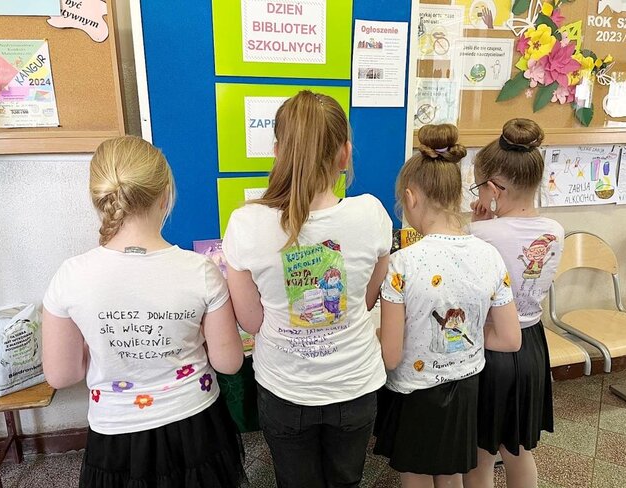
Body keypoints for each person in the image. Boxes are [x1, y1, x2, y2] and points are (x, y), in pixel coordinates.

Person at [42, 136, 247, 488]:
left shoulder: (70, 276)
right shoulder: (200, 270)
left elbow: (61, 375)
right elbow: (229, 363)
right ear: (165, 196)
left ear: (99, 198)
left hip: (114, 434)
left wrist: (99, 343)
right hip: (196, 425)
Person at [222, 90, 392, 488]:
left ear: (278, 152)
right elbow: (368, 299)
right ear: (344, 154)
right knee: (346, 480)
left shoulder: (246, 223)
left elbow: (251, 321)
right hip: (355, 385)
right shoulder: (371, 213)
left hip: (284, 390)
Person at [374, 124, 521, 488]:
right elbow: (510, 339)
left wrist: (374, 333)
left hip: (415, 393)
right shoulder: (490, 256)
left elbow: (390, 356)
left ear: (410, 198)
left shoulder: (402, 264)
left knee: (417, 477)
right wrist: (465, 337)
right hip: (466, 390)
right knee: (452, 474)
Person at [463, 119, 564, 488]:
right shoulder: (555, 231)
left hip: (490, 346)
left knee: (480, 452)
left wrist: (480, 224)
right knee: (518, 448)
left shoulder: (478, 234)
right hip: (532, 346)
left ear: (493, 189)